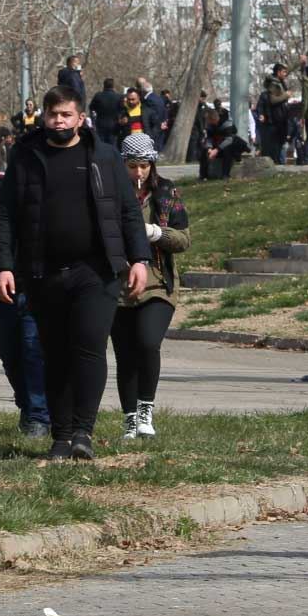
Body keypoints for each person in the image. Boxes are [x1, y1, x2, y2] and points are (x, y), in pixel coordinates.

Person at [0, 85, 151, 462]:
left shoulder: (105, 157)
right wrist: (2, 266)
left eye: (65, 115)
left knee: (89, 347)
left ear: (80, 118)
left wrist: (139, 258)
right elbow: (4, 214)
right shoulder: (26, 156)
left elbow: (128, 212)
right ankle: (60, 436)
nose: (58, 121)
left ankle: (83, 432)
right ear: (44, 117)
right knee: (54, 353)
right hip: (42, 272)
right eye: (52, 115)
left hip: (96, 272)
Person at [111, 134, 191, 439]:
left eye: (144, 165)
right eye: (132, 166)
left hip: (158, 282)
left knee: (147, 342)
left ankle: (146, 409)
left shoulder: (166, 192)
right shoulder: (112, 194)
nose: (139, 172)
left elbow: (184, 239)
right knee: (124, 354)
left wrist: (155, 232)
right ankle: (129, 419)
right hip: (119, 284)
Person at [0, 189, 50, 439]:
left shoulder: (50, 192)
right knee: (8, 352)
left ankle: (40, 415)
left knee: (33, 350)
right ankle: (27, 404)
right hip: (6, 288)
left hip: (40, 286)